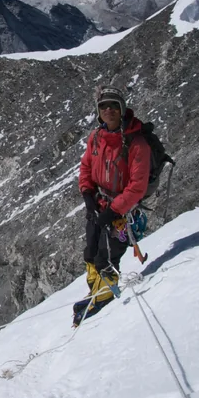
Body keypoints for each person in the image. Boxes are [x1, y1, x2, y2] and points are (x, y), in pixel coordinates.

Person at [74, 86, 150, 324]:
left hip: (122, 213)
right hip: (99, 203)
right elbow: (86, 167)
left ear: (122, 109)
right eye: (103, 106)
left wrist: (114, 210)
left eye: (113, 106)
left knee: (106, 257)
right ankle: (95, 290)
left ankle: (104, 298)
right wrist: (87, 193)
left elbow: (137, 186)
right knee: (91, 251)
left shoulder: (136, 143)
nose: (108, 110)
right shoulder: (96, 137)